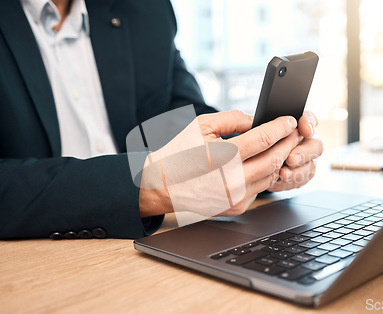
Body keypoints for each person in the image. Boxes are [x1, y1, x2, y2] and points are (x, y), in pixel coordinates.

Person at [0, 0, 323, 239]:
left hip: (150, 247)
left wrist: (262, 158)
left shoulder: (144, 10)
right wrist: (145, 189)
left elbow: (182, 116)